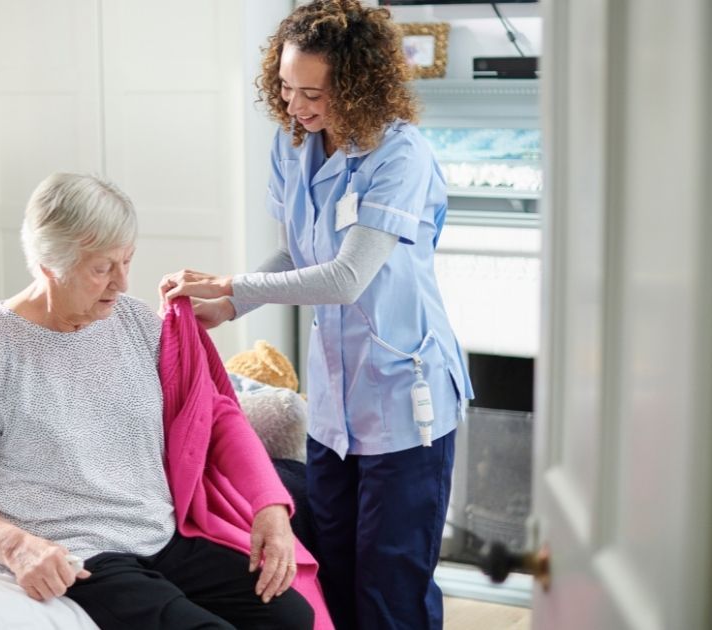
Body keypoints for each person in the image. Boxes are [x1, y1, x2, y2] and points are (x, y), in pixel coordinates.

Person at [157, 2, 475, 629]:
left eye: (314, 93)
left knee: (390, 592)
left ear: (357, 85)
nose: (296, 106)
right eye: (285, 87)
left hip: (404, 406)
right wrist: (231, 302)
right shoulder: (293, 145)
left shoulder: (399, 157)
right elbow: (298, 251)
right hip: (334, 411)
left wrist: (232, 282)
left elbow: (345, 276)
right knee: (332, 574)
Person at [0, 173, 317, 630]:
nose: (121, 282)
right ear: (51, 264)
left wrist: (270, 508)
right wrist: (16, 547)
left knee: (291, 617)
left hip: (161, 537)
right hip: (82, 555)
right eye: (102, 268)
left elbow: (215, 416)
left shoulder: (133, 321)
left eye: (127, 261)